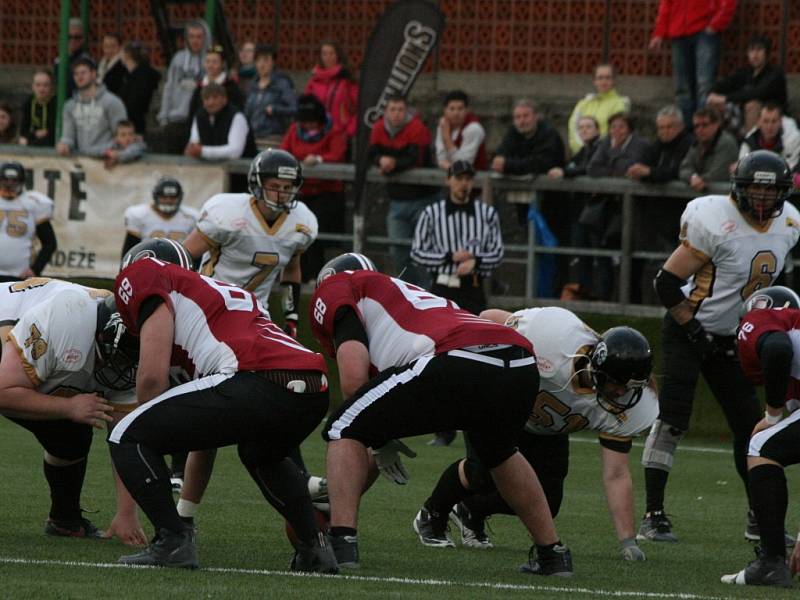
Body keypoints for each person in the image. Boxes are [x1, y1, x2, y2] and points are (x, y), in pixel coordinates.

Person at [311, 253, 573, 576]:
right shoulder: (409, 296)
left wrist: (377, 439)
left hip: (457, 356)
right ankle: (552, 554)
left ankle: (340, 545)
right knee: (500, 453)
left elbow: (353, 381)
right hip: (519, 359)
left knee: (342, 425)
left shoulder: (338, 286)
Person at [107, 243, 337, 572]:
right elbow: (205, 438)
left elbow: (152, 381)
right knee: (263, 454)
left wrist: (148, 423)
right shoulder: (219, 296)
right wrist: (186, 510)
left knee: (125, 435)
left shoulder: (143, 273)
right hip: (312, 387)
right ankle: (314, 548)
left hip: (253, 375)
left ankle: (172, 541)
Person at [640, 150, 800, 545]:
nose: (763, 199)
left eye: (771, 191)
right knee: (673, 418)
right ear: (739, 189)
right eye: (755, 190)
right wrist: (693, 329)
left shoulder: (791, 222)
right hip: (688, 328)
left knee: (750, 425)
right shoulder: (714, 220)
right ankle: (653, 513)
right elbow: (664, 282)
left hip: (735, 335)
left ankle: (758, 515)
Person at [420, 307, 655, 563]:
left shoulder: (629, 406)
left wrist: (628, 541)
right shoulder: (555, 341)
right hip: (504, 404)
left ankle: (471, 510)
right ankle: (432, 514)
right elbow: (490, 317)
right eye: (617, 384)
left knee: (547, 502)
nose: (622, 394)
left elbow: (617, 472)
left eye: (629, 388)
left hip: (547, 426)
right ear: (598, 367)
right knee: (482, 473)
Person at [177, 149, 319, 525]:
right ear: (256, 184)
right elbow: (186, 258)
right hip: (212, 314)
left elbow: (292, 268)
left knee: (280, 395)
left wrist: (290, 316)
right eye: (275, 186)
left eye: (289, 187)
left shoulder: (301, 222)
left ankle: (300, 480)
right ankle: (178, 477)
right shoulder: (227, 213)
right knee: (203, 404)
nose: (282, 194)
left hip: (256, 317)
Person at [0, 279, 143, 544]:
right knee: (72, 408)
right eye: (119, 359)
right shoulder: (66, 321)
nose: (124, 369)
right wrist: (68, 406)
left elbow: (126, 436)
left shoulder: (116, 333)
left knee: (72, 435)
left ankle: (64, 520)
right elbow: (3, 391)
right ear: (101, 336)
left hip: (27, 357)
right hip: (8, 351)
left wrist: (126, 513)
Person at [721, 286, 800, 588]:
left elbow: (777, 348)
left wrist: (773, 414)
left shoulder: (762, 318)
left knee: (761, 445)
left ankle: (770, 562)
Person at [411, 160, 503, 316]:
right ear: (448, 180)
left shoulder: (487, 214)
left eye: (468, 179)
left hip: (473, 287)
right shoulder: (431, 213)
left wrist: (476, 261)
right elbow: (417, 253)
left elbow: (498, 253)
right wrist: (449, 257)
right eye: (459, 179)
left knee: (475, 334)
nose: (463, 184)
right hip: (442, 285)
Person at [626, 105, 695, 304]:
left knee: (676, 268)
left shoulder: (688, 144)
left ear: (680, 126)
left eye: (670, 127)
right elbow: (642, 165)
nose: (665, 132)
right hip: (653, 216)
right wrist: (642, 171)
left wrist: (650, 173)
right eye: (661, 127)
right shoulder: (656, 146)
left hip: (678, 217)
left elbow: (677, 172)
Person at [368, 94, 437, 287]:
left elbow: (416, 158)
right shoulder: (379, 128)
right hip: (397, 199)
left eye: (400, 110)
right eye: (392, 110)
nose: (396, 114)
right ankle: (409, 291)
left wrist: (393, 163)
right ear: (386, 112)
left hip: (424, 198)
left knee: (424, 251)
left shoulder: (417, 129)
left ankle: (430, 292)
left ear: (406, 111)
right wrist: (380, 160)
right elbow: (371, 152)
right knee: (398, 250)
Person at [280, 94, 347, 282]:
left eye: (312, 122)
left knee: (316, 237)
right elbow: (284, 151)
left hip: (327, 194)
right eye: (305, 122)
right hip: (301, 193)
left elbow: (338, 154)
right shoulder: (295, 130)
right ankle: (300, 278)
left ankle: (318, 279)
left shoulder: (334, 131)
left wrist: (318, 159)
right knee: (297, 237)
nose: (308, 126)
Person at [649, 0, 737, 128]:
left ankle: (704, 130)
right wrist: (659, 33)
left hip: (704, 31)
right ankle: (686, 133)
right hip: (678, 32)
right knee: (682, 89)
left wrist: (716, 24)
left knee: (704, 87)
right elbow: (666, 4)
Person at [491, 98, 565, 226]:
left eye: (526, 116)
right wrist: (501, 162)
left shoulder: (549, 134)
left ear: (536, 116)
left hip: (551, 198)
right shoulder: (513, 132)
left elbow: (540, 163)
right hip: (522, 196)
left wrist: (508, 165)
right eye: (518, 117)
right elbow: (500, 156)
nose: (522, 121)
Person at [707, 34, 788, 136]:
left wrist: (725, 98)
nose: (754, 55)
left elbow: (756, 93)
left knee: (752, 105)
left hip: (770, 117)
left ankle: (751, 146)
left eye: (759, 50)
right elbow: (724, 85)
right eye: (751, 50)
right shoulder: (745, 71)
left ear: (766, 53)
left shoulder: (775, 74)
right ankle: (717, 144)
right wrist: (712, 93)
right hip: (740, 115)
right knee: (714, 104)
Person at [155, 20, 209, 154]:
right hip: (176, 120)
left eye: (199, 37)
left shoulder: (210, 60)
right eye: (191, 36)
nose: (195, 41)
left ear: (205, 38)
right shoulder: (178, 59)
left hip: (200, 122)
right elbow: (169, 87)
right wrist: (164, 116)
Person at [56, 57, 128, 157]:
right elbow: (68, 137)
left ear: (94, 74)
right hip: (82, 161)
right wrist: (64, 145)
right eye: (76, 74)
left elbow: (122, 136)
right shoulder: (69, 106)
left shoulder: (112, 102)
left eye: (83, 73)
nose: (79, 77)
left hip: (107, 159)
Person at [0, 162, 57, 281]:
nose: (9, 184)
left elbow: (49, 243)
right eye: (5, 180)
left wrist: (35, 269)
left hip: (19, 276)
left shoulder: (33, 203)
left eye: (14, 180)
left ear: (21, 181)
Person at [122, 176, 198, 257]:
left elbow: (196, 249)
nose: (168, 201)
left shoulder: (191, 217)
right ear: (156, 196)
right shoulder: (139, 215)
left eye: (172, 197)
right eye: (164, 197)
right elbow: (130, 249)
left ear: (179, 197)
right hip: (148, 261)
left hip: (179, 262)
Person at [567, 64, 630, 155]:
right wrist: (581, 148)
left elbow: (615, 132)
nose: (604, 81)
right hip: (580, 154)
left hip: (604, 155)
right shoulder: (584, 103)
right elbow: (573, 127)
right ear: (594, 81)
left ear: (614, 81)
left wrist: (595, 150)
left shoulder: (620, 104)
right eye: (600, 78)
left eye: (608, 78)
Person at [184, 83, 257, 162]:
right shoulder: (199, 116)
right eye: (207, 98)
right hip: (211, 169)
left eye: (215, 98)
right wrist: (193, 149)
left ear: (224, 99)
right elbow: (194, 143)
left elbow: (235, 152)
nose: (210, 102)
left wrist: (202, 151)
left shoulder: (237, 117)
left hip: (242, 171)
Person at [245, 44, 297, 145]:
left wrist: (275, 109)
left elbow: (294, 109)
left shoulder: (282, 84)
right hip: (252, 137)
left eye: (266, 60)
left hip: (273, 138)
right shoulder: (253, 85)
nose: (261, 64)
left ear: (273, 62)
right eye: (258, 60)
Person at [304, 41, 358, 139]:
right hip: (317, 134)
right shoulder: (314, 80)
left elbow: (358, 108)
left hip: (340, 135)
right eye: (324, 53)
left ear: (338, 55)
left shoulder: (347, 80)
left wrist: (349, 131)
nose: (327, 57)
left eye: (331, 53)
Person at [679, 107, 739, 192]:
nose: (700, 129)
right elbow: (684, 168)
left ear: (716, 124)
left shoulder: (726, 142)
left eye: (704, 125)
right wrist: (693, 177)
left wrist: (700, 180)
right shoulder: (697, 144)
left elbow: (719, 173)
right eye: (696, 126)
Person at [187, 45, 244, 122]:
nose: (210, 65)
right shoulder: (199, 88)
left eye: (215, 62)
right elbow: (192, 115)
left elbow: (237, 112)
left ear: (223, 64)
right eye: (208, 61)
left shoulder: (230, 87)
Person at [434, 90, 487, 171]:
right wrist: (450, 168)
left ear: (467, 110)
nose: (456, 113)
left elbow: (464, 164)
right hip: (450, 175)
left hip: (474, 178)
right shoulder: (443, 124)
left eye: (460, 109)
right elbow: (441, 158)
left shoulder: (474, 128)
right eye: (452, 109)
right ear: (445, 110)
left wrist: (446, 138)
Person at [739, 103, 800, 171]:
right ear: (759, 123)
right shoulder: (749, 141)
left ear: (780, 122)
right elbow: (742, 168)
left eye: (774, 121)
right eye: (766, 121)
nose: (769, 126)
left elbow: (789, 169)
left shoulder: (792, 139)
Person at [118, 42, 161, 135]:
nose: (119, 55)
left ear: (127, 54)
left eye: (120, 52)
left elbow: (135, 104)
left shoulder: (141, 76)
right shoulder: (132, 75)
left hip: (139, 125)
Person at [53, 17, 91, 97]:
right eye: (69, 37)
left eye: (77, 37)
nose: (72, 40)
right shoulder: (58, 61)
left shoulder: (87, 61)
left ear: (82, 39)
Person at [18, 69, 57, 147]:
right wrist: (35, 134)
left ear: (51, 86)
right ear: (33, 86)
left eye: (45, 85)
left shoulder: (57, 103)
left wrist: (46, 132)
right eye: (38, 85)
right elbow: (23, 131)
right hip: (33, 141)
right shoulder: (28, 103)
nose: (41, 89)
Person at [97, 33, 126, 97]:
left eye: (113, 46)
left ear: (120, 47)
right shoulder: (101, 63)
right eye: (105, 46)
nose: (108, 50)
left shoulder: (123, 67)